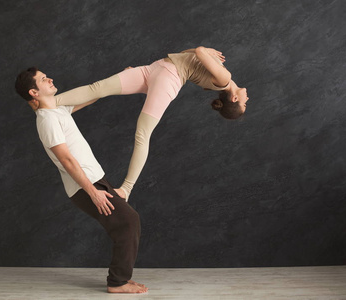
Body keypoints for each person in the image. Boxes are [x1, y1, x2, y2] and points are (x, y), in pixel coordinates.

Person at [30, 46, 250, 200]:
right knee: (97, 88)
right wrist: (200, 53)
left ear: (234, 99)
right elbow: (183, 55)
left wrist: (205, 51)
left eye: (244, 104)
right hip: (155, 69)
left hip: (167, 78)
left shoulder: (224, 78)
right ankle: (44, 103)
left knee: (143, 133)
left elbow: (199, 52)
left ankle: (126, 189)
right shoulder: (221, 80)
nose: (247, 99)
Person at [14, 67, 148, 294]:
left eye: (48, 75)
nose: (50, 79)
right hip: (86, 186)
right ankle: (117, 282)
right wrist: (93, 192)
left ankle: (120, 278)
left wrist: (121, 78)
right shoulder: (46, 120)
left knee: (126, 224)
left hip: (95, 179)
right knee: (128, 222)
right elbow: (66, 160)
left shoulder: (58, 110)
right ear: (34, 92)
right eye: (43, 79)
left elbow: (93, 94)